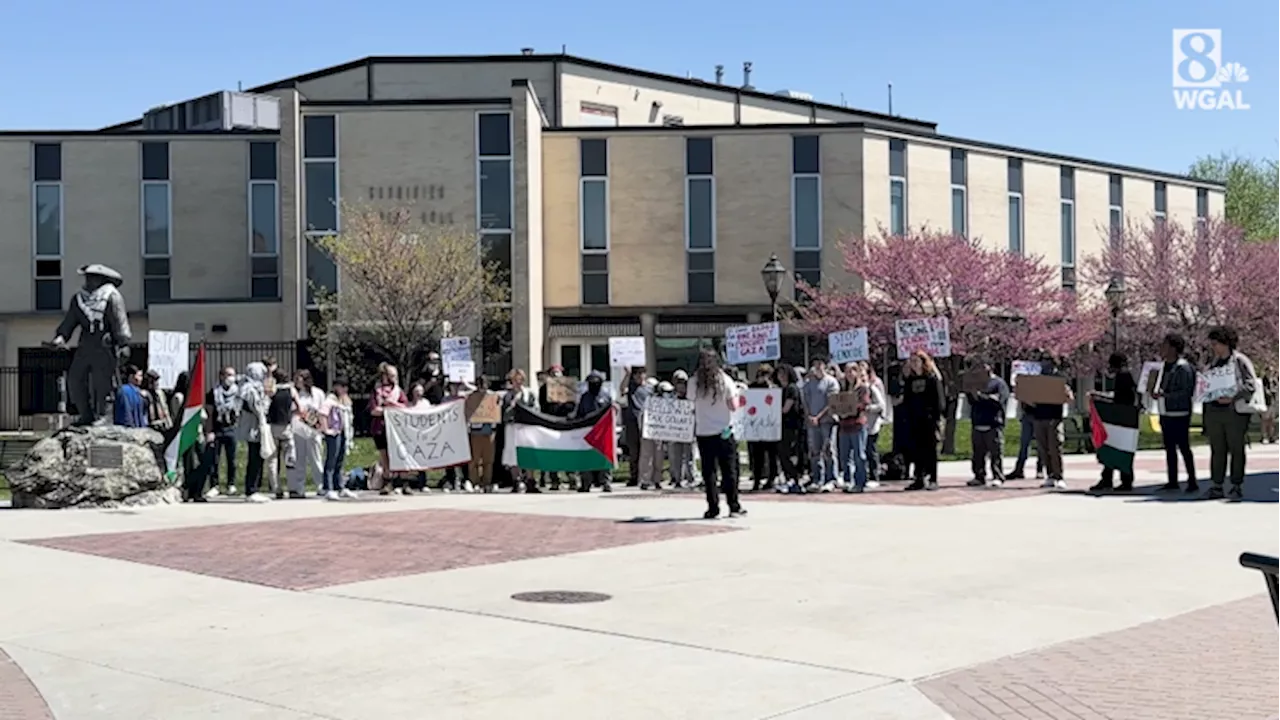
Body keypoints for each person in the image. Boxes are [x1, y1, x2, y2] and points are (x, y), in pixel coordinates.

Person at [688, 348, 746, 519]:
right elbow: (733, 406)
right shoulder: (724, 380)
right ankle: (733, 506)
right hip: (724, 431)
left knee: (709, 472)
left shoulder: (693, 382)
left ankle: (713, 507)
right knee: (729, 470)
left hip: (703, 431)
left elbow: (690, 401)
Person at [1203, 325, 1259, 500]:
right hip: (1214, 411)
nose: (1213, 347)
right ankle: (1217, 484)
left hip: (1234, 412)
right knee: (1217, 449)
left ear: (1226, 343)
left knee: (1236, 448)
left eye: (1216, 343)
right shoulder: (1212, 363)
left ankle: (1236, 484)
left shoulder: (1240, 361)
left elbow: (1251, 385)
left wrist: (1233, 396)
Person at [1153, 333, 1198, 493]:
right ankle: (1172, 480)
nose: (1161, 348)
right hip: (1165, 411)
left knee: (1184, 447)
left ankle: (1192, 480)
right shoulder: (1162, 367)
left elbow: (1186, 392)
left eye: (1164, 345)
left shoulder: (1183, 367)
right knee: (1169, 448)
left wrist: (1165, 395)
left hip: (1180, 412)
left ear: (1173, 348)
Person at [1089, 353, 1139, 493]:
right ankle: (1110, 478)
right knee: (1115, 447)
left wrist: (1099, 396)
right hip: (1124, 419)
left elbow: (1119, 397)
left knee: (1117, 447)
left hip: (1121, 419)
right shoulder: (1128, 375)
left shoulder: (1123, 376)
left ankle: (1122, 480)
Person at [902, 351, 946, 491]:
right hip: (914, 421)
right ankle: (919, 478)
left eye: (916, 361)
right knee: (916, 450)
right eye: (911, 361)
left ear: (923, 362)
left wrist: (935, 416)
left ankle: (933, 479)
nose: (913, 364)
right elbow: (907, 401)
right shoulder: (910, 380)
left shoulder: (932, 379)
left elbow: (940, 402)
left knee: (931, 450)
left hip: (930, 421)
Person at [1029, 355, 1073, 490]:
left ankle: (1059, 476)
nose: (1044, 363)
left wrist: (1066, 394)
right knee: (1043, 449)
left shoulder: (1060, 379)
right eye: (1042, 360)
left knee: (1055, 448)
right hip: (1039, 417)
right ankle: (1050, 475)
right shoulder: (1036, 380)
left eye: (1047, 360)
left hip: (1054, 418)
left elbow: (1069, 398)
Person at [965, 360, 1011, 488]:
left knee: (995, 452)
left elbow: (999, 401)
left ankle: (997, 476)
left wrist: (981, 396)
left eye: (982, 366)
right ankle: (979, 476)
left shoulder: (998, 383)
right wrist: (972, 394)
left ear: (990, 367)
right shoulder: (975, 383)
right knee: (978, 453)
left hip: (993, 423)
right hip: (978, 422)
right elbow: (972, 401)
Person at [286, 369, 327, 498]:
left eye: (300, 378)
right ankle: (299, 487)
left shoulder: (317, 393)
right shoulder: (293, 393)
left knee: (316, 458)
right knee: (299, 459)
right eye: (296, 378)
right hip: (298, 430)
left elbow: (322, 410)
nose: (297, 381)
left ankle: (320, 484)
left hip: (313, 430)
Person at [802, 357, 840, 492]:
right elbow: (805, 401)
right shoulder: (808, 384)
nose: (817, 367)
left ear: (825, 366)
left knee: (829, 449)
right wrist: (809, 416)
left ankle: (831, 479)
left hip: (827, 421)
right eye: (815, 364)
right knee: (814, 451)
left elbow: (831, 402)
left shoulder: (831, 382)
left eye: (820, 364)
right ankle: (817, 479)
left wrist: (819, 416)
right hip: (812, 422)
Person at [369, 363, 408, 495]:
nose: (393, 378)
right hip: (380, 427)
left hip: (396, 429)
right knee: (385, 456)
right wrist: (387, 410)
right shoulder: (377, 391)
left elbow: (404, 406)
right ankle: (387, 482)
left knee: (399, 454)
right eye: (391, 375)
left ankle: (403, 482)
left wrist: (393, 405)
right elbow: (374, 410)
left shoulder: (398, 391)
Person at [237, 362, 273, 503]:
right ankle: (251, 489)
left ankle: (255, 487)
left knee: (259, 458)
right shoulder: (249, 390)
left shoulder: (257, 388)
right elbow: (257, 408)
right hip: (253, 428)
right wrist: (266, 401)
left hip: (258, 428)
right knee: (254, 459)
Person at [204, 365, 241, 497]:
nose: (231, 378)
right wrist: (209, 432)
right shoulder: (213, 393)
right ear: (221, 376)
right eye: (228, 375)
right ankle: (214, 485)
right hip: (217, 429)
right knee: (215, 459)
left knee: (232, 459)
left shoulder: (237, 392)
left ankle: (231, 484)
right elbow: (209, 413)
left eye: (233, 375)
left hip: (232, 428)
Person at [835, 363, 872, 493]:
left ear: (857, 372)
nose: (849, 374)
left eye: (852, 371)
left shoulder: (862, 388)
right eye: (847, 371)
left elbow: (865, 404)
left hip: (857, 424)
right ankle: (848, 480)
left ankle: (860, 482)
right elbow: (836, 402)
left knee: (859, 455)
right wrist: (840, 411)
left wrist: (851, 409)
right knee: (845, 456)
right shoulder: (842, 387)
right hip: (844, 425)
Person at [538, 364, 576, 490]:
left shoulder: (568, 388)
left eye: (558, 374)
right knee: (552, 453)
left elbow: (573, 406)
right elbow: (542, 407)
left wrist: (563, 404)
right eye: (553, 374)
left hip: (565, 423)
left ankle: (572, 478)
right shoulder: (543, 389)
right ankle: (554, 480)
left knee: (568, 452)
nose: (556, 376)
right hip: (550, 423)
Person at [574, 372, 613, 493]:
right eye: (591, 383)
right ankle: (586, 483)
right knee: (586, 458)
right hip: (588, 432)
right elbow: (580, 414)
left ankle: (605, 482)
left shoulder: (606, 396)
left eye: (596, 382)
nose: (594, 385)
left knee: (604, 457)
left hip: (603, 432)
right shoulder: (585, 397)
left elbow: (610, 413)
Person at [502, 369, 539, 493]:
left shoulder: (529, 394)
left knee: (528, 453)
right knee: (512, 454)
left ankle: (530, 481)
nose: (517, 382)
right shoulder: (507, 395)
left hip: (527, 427)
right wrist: (513, 403)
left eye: (520, 379)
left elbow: (536, 410)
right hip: (512, 427)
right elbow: (504, 414)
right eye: (515, 380)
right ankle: (516, 481)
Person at [319, 377, 355, 500]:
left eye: (345, 387)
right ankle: (328, 487)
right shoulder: (330, 400)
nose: (344, 389)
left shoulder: (344, 401)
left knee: (340, 460)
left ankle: (339, 486)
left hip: (343, 432)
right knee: (331, 460)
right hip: (333, 433)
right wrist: (326, 430)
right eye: (341, 386)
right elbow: (323, 414)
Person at [263, 368, 297, 499]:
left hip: (273, 426)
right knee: (290, 458)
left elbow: (265, 404)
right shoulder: (291, 390)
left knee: (272, 459)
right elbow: (298, 406)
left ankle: (276, 488)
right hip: (286, 426)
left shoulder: (272, 390)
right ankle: (293, 487)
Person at [774, 364, 805, 493]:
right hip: (781, 426)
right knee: (781, 453)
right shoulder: (779, 389)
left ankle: (794, 478)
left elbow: (786, 409)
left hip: (791, 426)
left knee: (787, 453)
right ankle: (789, 478)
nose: (781, 376)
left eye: (783, 374)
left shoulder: (792, 389)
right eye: (779, 373)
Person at [468, 379, 499, 494]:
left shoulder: (492, 396)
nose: (482, 387)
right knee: (474, 460)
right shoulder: (472, 397)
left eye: (484, 385)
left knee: (488, 460)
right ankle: (475, 482)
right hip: (475, 432)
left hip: (489, 431)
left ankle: (486, 483)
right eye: (480, 385)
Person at [667, 370, 696, 488]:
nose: (680, 384)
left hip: (689, 431)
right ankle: (677, 479)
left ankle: (691, 478)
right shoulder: (670, 397)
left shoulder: (691, 397)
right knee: (676, 457)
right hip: (675, 432)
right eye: (678, 382)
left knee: (689, 457)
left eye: (683, 382)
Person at [861, 362, 887, 488]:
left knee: (871, 450)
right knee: (862, 451)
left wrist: (868, 408)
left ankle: (874, 475)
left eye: (863, 375)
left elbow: (881, 405)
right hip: (860, 426)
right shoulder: (856, 390)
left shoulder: (872, 388)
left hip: (871, 425)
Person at [620, 367, 646, 486]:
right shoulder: (631, 387)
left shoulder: (649, 388)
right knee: (634, 451)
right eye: (637, 374)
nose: (640, 377)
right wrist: (627, 374)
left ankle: (645, 476)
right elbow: (622, 389)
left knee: (646, 451)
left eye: (642, 374)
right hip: (632, 422)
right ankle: (634, 476)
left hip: (646, 423)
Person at [141, 369, 172, 433]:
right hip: (150, 424)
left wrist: (169, 423)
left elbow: (165, 408)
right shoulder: (143, 394)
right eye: (154, 381)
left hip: (162, 423)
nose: (157, 383)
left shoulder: (159, 393)